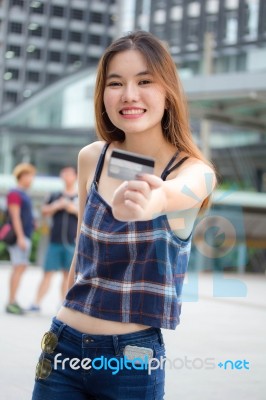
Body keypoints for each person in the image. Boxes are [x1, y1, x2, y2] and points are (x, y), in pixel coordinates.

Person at [32, 31, 216, 399]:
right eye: (116, 83)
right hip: (63, 349)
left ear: (168, 91)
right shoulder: (92, 158)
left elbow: (177, 192)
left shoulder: (194, 171)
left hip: (131, 360)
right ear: (103, 94)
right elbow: (81, 255)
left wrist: (154, 200)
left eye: (144, 81)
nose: (129, 94)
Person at [29, 167, 78, 312]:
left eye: (69, 174)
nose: (66, 176)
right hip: (55, 241)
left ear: (75, 176)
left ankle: (63, 304)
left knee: (66, 274)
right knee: (47, 272)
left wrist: (71, 208)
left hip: (71, 241)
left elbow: (85, 213)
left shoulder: (80, 195)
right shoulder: (55, 195)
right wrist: (57, 205)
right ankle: (36, 303)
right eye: (64, 173)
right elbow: (44, 210)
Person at [6, 163, 36, 315]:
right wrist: (20, 237)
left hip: (25, 235)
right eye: (30, 176)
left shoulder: (23, 193)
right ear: (22, 176)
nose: (32, 179)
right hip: (21, 237)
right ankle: (11, 301)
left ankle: (13, 300)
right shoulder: (15, 193)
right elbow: (15, 216)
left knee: (20, 267)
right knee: (18, 267)